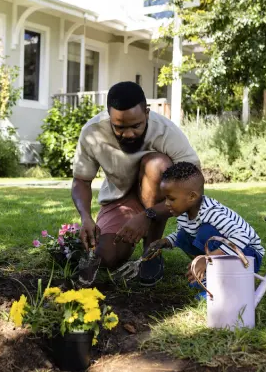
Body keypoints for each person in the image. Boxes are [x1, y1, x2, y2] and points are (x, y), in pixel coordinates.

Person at [71, 81, 200, 287]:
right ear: (109, 116)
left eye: (136, 126)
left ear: (147, 113)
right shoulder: (93, 132)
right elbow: (81, 180)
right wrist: (85, 217)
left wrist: (148, 215)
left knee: (157, 163)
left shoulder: (166, 131)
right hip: (119, 199)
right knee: (107, 258)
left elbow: (193, 181)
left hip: (156, 192)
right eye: (120, 127)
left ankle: (152, 251)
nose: (128, 134)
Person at [147, 161, 265, 297]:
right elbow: (186, 231)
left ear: (192, 196)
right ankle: (214, 276)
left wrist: (207, 259)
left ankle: (228, 284)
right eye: (165, 198)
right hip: (228, 253)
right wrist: (165, 241)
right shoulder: (183, 213)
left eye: (171, 199)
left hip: (248, 256)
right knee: (182, 235)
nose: (166, 204)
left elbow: (242, 237)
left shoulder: (212, 213)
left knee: (206, 231)